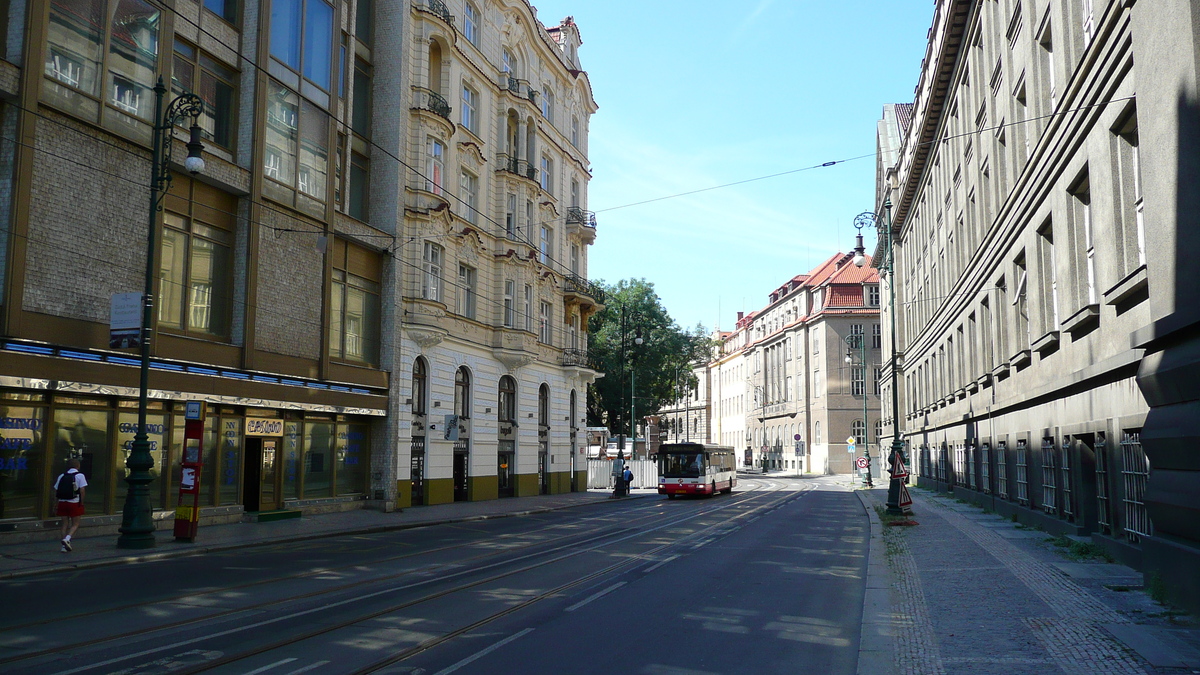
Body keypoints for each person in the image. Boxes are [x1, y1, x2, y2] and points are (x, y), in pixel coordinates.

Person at [54, 459, 87, 553]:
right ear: (78, 466)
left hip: (62, 502)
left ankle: (64, 547)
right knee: (75, 523)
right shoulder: (80, 476)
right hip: (74, 502)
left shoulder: (62, 476)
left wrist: (56, 503)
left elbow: (56, 490)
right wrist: (82, 502)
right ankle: (67, 539)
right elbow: (82, 490)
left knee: (64, 524)